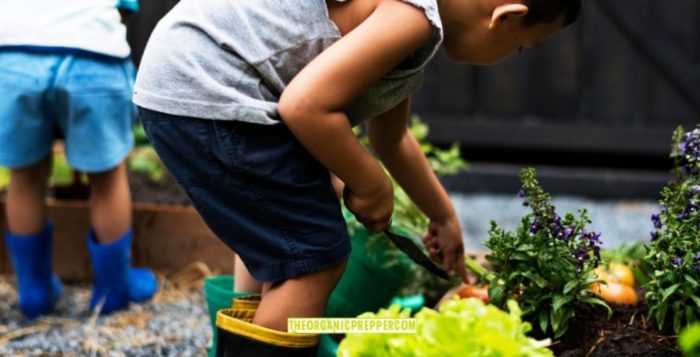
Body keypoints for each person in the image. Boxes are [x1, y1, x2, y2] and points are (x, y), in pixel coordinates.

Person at [133, 0, 582, 354]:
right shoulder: (414, 17)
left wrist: (442, 215)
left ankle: (242, 346)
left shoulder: (412, 22)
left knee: (283, 241)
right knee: (314, 258)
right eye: (524, 45)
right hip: (209, 84)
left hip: (190, 75)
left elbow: (391, 138)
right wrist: (370, 184)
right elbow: (305, 105)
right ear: (507, 16)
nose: (514, 54)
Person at [0, 0, 157, 318]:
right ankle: (113, 292)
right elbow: (126, 7)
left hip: (14, 52)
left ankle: (33, 291)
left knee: (25, 175)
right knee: (108, 178)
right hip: (92, 51)